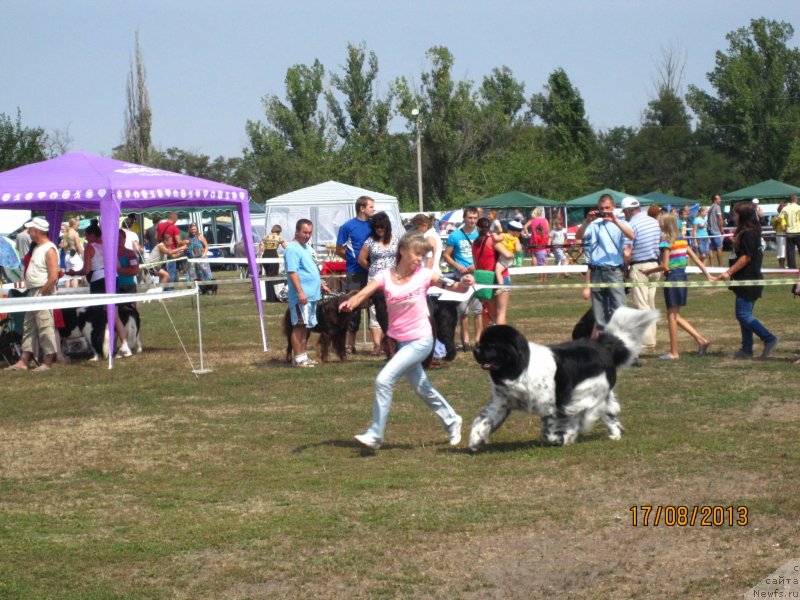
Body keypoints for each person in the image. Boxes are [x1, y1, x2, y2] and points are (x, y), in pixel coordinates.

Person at [340, 232, 474, 450]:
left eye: (423, 255)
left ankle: (375, 434)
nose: (420, 259)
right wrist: (351, 302)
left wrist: (465, 283)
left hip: (421, 340)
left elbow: (455, 286)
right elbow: (363, 293)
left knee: (383, 380)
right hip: (401, 341)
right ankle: (452, 420)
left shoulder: (425, 275)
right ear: (402, 251)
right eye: (417, 254)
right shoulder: (385, 276)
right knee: (422, 388)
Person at [713, 202, 778, 360]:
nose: (734, 217)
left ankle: (768, 338)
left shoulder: (749, 233)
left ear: (743, 216)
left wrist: (728, 272)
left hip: (749, 278)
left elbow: (746, 257)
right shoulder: (748, 231)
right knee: (744, 315)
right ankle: (746, 349)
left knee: (743, 315)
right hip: (743, 278)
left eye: (736, 214)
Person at [643, 214, 712, 360]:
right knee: (674, 315)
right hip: (682, 277)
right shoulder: (682, 240)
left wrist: (648, 271)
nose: (658, 224)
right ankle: (701, 340)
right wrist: (707, 274)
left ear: (665, 224)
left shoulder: (666, 241)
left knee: (671, 317)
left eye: (660, 222)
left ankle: (674, 352)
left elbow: (665, 265)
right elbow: (695, 258)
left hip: (673, 278)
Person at [66, 222, 133, 357]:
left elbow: (86, 270)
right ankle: (123, 344)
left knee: (99, 315)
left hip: (98, 281)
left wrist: (73, 273)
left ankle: (101, 345)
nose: (86, 239)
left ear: (92, 235)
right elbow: (118, 266)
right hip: (113, 278)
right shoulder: (109, 246)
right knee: (114, 314)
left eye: (87, 236)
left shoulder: (90, 248)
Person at [5, 217, 59, 372]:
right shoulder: (38, 248)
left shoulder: (49, 249)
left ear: (37, 231)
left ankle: (47, 362)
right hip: (33, 292)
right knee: (28, 327)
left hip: (42, 292)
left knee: (45, 326)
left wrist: (41, 294)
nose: (28, 232)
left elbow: (53, 276)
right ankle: (23, 360)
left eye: (31, 229)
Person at [575, 194, 636, 333]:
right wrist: (587, 221)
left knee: (620, 310)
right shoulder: (594, 225)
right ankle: (603, 343)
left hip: (614, 271)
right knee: (599, 314)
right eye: (601, 208)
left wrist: (615, 220)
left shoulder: (622, 223)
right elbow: (578, 236)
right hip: (596, 271)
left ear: (614, 207)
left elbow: (632, 235)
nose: (604, 211)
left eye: (607, 208)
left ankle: (622, 342)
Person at [286, 219, 331, 367]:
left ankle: (303, 356)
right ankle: (298, 358)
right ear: (297, 232)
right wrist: (300, 293)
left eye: (310, 233)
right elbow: (293, 273)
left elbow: (312, 269)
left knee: (306, 326)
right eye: (305, 232)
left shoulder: (307, 248)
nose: (307, 236)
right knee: (299, 326)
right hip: (301, 296)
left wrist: (321, 284)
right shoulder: (292, 249)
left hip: (312, 295)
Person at [336, 195, 375, 355]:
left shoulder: (375, 225)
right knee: (353, 308)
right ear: (362, 208)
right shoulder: (347, 227)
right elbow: (339, 249)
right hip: (355, 273)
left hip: (372, 272)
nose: (373, 209)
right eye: (371, 207)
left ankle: (378, 344)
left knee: (374, 307)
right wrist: (353, 260)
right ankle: (350, 345)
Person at [621, 197, 661, 351]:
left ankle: (647, 340)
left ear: (627, 211)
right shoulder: (654, 222)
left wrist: (625, 267)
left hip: (640, 267)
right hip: (655, 265)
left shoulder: (631, 225)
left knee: (642, 305)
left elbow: (627, 251)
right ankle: (652, 338)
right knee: (650, 303)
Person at [442, 206, 482, 351]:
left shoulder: (480, 234)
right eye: (470, 218)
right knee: (463, 309)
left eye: (475, 218)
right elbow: (446, 255)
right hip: (461, 276)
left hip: (476, 275)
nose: (472, 221)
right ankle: (465, 340)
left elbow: (484, 254)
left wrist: (476, 265)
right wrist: (458, 266)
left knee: (478, 309)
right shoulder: (455, 235)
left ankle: (479, 340)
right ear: (464, 218)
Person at [358, 211, 398, 356]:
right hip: (375, 281)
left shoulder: (396, 239)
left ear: (387, 226)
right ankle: (377, 346)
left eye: (382, 227)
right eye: (376, 227)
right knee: (375, 312)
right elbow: (361, 259)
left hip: (393, 280)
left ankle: (393, 343)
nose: (379, 229)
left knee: (393, 310)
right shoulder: (370, 241)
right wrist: (372, 268)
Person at [475, 217, 513, 326]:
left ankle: (494, 334)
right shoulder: (492, 240)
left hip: (486, 279)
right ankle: (501, 336)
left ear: (478, 228)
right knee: (501, 313)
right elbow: (507, 255)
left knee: (492, 313)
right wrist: (513, 254)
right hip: (501, 277)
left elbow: (476, 264)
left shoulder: (475, 243)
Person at [155, 212, 183, 284]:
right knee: (170, 276)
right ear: (174, 218)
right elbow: (179, 242)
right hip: (171, 254)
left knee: (163, 276)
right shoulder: (174, 228)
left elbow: (156, 237)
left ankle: (162, 289)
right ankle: (169, 289)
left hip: (161, 254)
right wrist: (185, 242)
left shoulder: (159, 225)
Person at [524, 208, 550, 281]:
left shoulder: (532, 221)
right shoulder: (545, 220)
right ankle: (545, 277)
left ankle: (535, 270)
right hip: (544, 240)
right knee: (545, 260)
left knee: (534, 255)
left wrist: (528, 234)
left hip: (535, 240)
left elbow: (525, 226)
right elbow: (548, 231)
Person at [779, 194, 800, 270]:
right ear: (796, 200)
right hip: (798, 231)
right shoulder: (799, 207)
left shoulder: (785, 208)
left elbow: (779, 218)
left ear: (790, 200)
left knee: (790, 251)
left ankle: (792, 267)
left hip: (789, 232)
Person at [61, 217, 84, 288]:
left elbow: (63, 245)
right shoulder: (75, 233)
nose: (78, 227)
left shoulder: (66, 232)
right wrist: (83, 254)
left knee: (68, 277)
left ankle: (67, 292)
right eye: (77, 225)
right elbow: (78, 246)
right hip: (74, 256)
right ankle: (76, 292)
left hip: (67, 256)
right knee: (76, 277)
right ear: (73, 225)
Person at [707, 194, 725, 267]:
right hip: (716, 230)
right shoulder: (717, 207)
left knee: (711, 247)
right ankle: (720, 266)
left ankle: (712, 266)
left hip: (709, 230)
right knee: (719, 247)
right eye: (718, 199)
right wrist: (721, 229)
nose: (720, 200)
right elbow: (720, 218)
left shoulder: (711, 207)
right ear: (715, 200)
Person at [772, 202, 787, 269]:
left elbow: (773, 227)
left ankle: (780, 265)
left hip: (778, 234)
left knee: (779, 250)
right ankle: (782, 265)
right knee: (783, 250)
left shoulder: (775, 217)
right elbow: (783, 228)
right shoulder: (783, 217)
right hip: (783, 234)